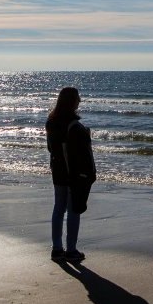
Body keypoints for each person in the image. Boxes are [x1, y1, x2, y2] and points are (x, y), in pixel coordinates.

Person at [45, 86, 95, 262]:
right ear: (72, 101)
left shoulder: (51, 122)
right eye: (77, 98)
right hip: (73, 173)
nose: (79, 101)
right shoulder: (74, 126)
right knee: (74, 209)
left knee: (59, 208)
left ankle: (57, 248)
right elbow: (81, 155)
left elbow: (51, 148)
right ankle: (71, 249)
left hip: (57, 170)